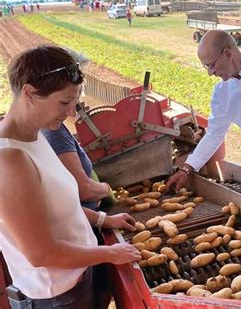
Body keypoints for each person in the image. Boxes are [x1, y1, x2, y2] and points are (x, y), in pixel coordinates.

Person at [0, 45, 141, 308]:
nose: (72, 112)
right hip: (58, 296)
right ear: (30, 93)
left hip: (78, 274)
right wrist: (110, 253)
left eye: (74, 101)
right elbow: (42, 253)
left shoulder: (35, 135)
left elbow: (57, 209)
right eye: (65, 102)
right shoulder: (10, 159)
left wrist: (104, 219)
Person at [166, 30, 241, 191]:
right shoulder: (222, 93)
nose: (210, 73)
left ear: (228, 53)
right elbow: (214, 134)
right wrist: (187, 168)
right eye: (206, 67)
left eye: (211, 65)